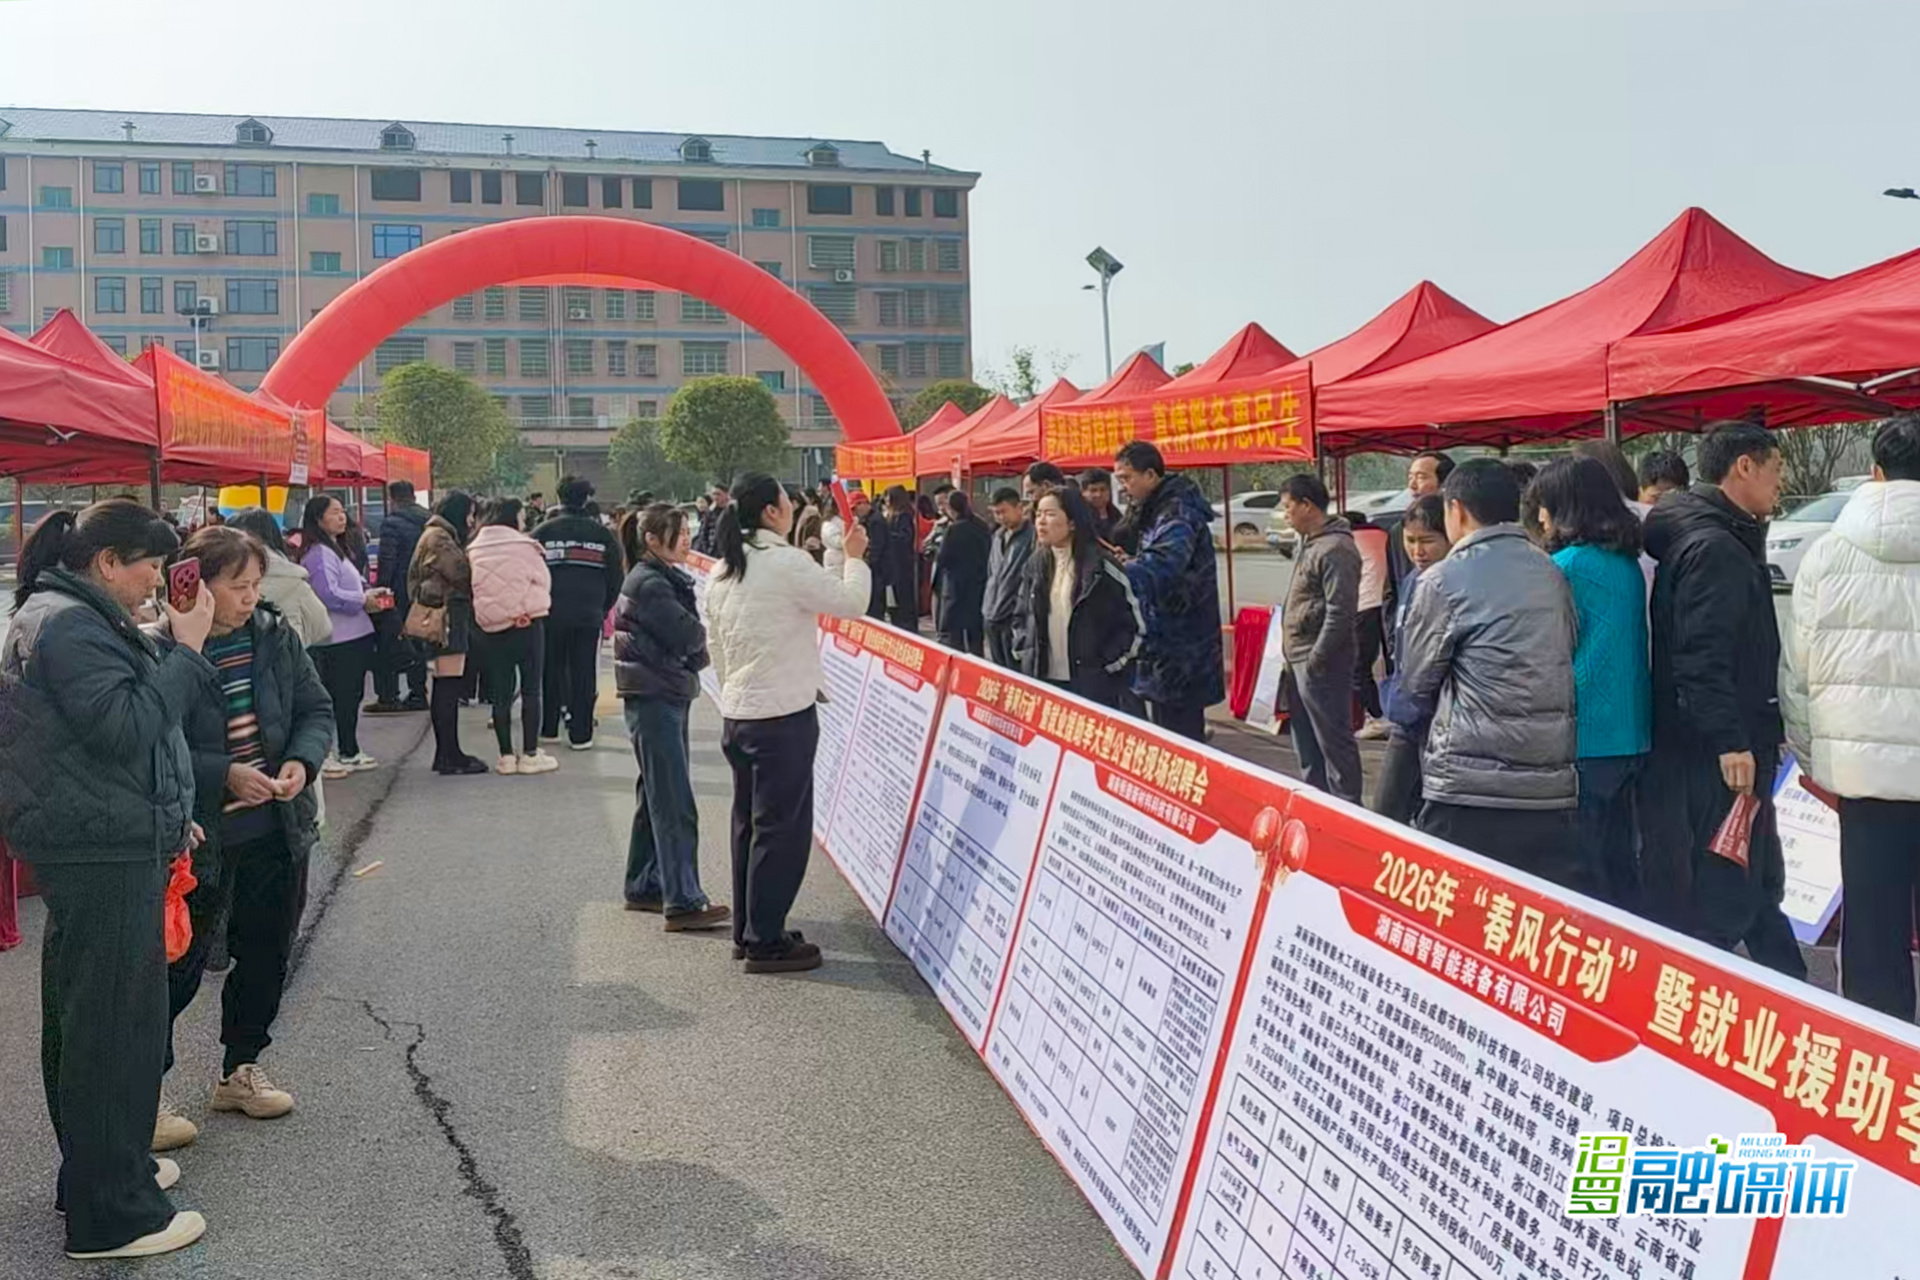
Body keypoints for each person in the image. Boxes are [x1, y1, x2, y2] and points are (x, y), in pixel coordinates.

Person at [0, 500, 211, 1259]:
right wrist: (187, 651)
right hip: (101, 847)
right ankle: (113, 1214)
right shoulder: (71, 625)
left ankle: (99, 1174)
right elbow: (126, 728)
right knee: (113, 1028)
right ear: (107, 562)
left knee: (87, 1020)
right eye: (150, 565)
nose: (158, 578)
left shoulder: (61, 615)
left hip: (95, 839)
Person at [159, 527, 332, 1153]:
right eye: (237, 586)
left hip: (277, 826)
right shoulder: (166, 650)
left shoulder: (274, 634)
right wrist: (223, 773)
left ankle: (241, 1067)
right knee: (177, 965)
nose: (249, 597)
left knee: (267, 951)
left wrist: (301, 763)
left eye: (255, 584)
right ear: (196, 586)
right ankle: (145, 1089)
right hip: (200, 836)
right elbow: (155, 740)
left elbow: (316, 710)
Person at [1642, 422, 1804, 976]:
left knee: (1753, 873)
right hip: (1724, 746)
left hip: (1727, 736)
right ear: (1744, 467)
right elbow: (1702, 654)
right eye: (1776, 468)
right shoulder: (1715, 548)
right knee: (1730, 876)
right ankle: (1703, 985)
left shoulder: (1717, 534)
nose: (1781, 482)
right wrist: (1730, 740)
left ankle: (1789, 985)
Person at [1784, 415, 1920, 1019]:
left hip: (1863, 778)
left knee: (1872, 925)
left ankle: (1883, 1051)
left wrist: (1817, 760)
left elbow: (1798, 673)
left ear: (1875, 472)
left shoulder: (1826, 555)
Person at [706, 474, 871, 973]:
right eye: (785, 500)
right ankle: (766, 940)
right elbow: (851, 603)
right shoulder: (783, 562)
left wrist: (736, 691)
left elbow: (715, 645)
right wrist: (855, 557)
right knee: (782, 830)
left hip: (740, 713)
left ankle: (751, 929)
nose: (791, 506)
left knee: (749, 826)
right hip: (781, 715)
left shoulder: (724, 568)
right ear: (772, 512)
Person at [1392, 460, 1581, 886]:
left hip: (1467, 786)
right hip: (1549, 784)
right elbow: (1568, 644)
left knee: (1460, 904)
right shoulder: (1550, 571)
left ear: (1456, 510)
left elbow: (1415, 683)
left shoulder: (1442, 579)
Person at [1530, 458, 1653, 908]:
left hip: (1583, 732)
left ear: (1565, 507)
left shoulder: (1564, 566)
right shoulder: (1625, 563)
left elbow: (1546, 648)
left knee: (1582, 867)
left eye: (1545, 505)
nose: (1540, 517)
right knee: (1620, 859)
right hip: (1630, 730)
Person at [614, 504, 730, 932]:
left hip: (659, 690)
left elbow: (691, 640)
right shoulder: (651, 583)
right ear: (651, 539)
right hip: (656, 693)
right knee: (673, 801)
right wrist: (698, 650)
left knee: (656, 794)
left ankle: (645, 884)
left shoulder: (656, 577)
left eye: (686, 530)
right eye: (678, 532)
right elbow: (690, 636)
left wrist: (696, 651)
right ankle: (683, 900)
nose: (686, 539)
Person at [1113, 441, 1224, 741]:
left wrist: (1116, 569)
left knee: (1180, 738)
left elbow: (1164, 565)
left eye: (1126, 478)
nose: (1123, 487)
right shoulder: (1160, 508)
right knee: (1169, 731)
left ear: (1150, 475)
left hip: (1182, 647)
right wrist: (1132, 561)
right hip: (1168, 643)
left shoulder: (1177, 512)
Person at [1278, 474, 1364, 802]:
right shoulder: (1310, 543)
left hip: (1321, 660)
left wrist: (1317, 658)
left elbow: (1341, 611)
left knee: (1333, 740)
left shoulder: (1336, 548)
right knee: (1307, 741)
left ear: (1307, 506)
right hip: (1299, 656)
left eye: (1288, 507)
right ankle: (1317, 802)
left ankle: (1348, 807)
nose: (1285, 514)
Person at [1019, 486, 1142, 708]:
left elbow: (1132, 625)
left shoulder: (1101, 567)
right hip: (1043, 681)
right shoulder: (1035, 565)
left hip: (1091, 687)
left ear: (1073, 522)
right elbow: (1021, 615)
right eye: (1038, 514)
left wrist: (1109, 666)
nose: (1041, 521)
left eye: (1050, 514)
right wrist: (1024, 651)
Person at [1373, 496, 1450, 824]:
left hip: (1439, 721)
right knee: (1385, 811)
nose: (1418, 551)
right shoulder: (1411, 580)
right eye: (1410, 541)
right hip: (1406, 713)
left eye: (1427, 541)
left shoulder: (1454, 583)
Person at [533, 476, 624, 751]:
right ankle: (581, 733)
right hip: (588, 613)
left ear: (558, 497)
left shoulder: (542, 532)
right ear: (586, 499)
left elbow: (530, 572)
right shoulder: (602, 535)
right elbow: (616, 577)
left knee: (550, 669)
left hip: (550, 612)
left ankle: (549, 728)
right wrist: (603, 606)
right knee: (584, 672)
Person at [469, 498, 558, 776]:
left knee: (501, 693)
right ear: (512, 518)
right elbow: (543, 582)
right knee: (531, 690)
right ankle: (530, 754)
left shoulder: (473, 548)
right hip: (526, 624)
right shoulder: (526, 547)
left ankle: (506, 756)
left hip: (490, 628)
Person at [297, 495, 381, 779]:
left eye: (342, 511)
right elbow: (327, 593)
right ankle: (336, 752)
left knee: (351, 696)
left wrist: (369, 592)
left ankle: (349, 749)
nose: (342, 517)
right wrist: (362, 600)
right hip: (338, 638)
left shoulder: (336, 549)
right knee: (341, 697)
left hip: (353, 634)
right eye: (334, 513)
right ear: (318, 519)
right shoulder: (319, 553)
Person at [409, 491, 488, 776]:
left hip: (444, 615)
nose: (471, 520)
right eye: (470, 514)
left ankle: (447, 753)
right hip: (447, 617)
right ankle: (449, 755)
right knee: (448, 686)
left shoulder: (434, 534)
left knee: (446, 684)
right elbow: (462, 573)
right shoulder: (440, 538)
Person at [227, 508, 331, 646]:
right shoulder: (293, 579)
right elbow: (322, 626)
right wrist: (298, 642)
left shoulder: (219, 577)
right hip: (286, 654)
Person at [370, 481, 430, 712]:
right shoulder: (429, 520)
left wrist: (381, 590)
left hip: (398, 591)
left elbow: (387, 560)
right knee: (417, 641)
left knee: (388, 640)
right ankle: (418, 692)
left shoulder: (392, 523)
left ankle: (388, 696)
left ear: (392, 499)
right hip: (423, 590)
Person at [1384, 450, 1457, 593]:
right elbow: (1392, 588)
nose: (1412, 485)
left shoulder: (1460, 525)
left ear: (1445, 483)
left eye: (1421, 477)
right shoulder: (1399, 530)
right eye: (1410, 477)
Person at [933, 489, 992, 656]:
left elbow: (942, 558)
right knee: (975, 634)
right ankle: (977, 661)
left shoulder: (954, 529)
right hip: (978, 583)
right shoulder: (981, 526)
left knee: (954, 634)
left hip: (956, 586)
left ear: (951, 508)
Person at [1349, 512, 1392, 740]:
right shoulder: (1384, 534)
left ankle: (1378, 718)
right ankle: (1393, 715)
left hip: (1364, 605)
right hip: (1390, 602)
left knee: (1358, 668)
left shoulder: (1348, 539)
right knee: (1392, 663)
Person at [984, 486, 1035, 669]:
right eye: (996, 513)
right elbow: (992, 574)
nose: (1000, 517)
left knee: (1015, 671)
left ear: (1019, 508)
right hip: (992, 612)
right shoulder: (998, 536)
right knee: (998, 671)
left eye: (1003, 511)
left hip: (1013, 617)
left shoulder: (1032, 537)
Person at [880, 485, 921, 630]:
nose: (886, 500)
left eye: (888, 497)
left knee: (903, 598)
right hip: (893, 564)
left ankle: (907, 627)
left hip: (901, 564)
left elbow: (905, 538)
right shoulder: (889, 515)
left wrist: (886, 535)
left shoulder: (904, 516)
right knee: (894, 600)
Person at [859, 489, 891, 619]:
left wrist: (866, 561)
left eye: (855, 508)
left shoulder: (875, 521)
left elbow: (877, 546)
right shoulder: (870, 519)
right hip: (875, 568)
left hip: (877, 569)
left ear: (864, 504)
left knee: (875, 605)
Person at [1078, 468, 1125, 546]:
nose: (1098, 495)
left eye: (1102, 490)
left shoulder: (1119, 516)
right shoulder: (1080, 518)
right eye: (1093, 490)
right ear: (1083, 492)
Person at [691, 485, 730, 556]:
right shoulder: (709, 514)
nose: (716, 497)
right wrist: (707, 550)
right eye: (714, 494)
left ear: (726, 495)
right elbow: (703, 533)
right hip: (710, 552)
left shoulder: (731, 512)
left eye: (718, 494)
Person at [791, 488, 825, 562]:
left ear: (795, 502)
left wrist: (807, 545)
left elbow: (815, 534)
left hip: (811, 555)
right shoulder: (793, 516)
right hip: (798, 555)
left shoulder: (811, 514)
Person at [821, 491, 848, 570]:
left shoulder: (842, 521)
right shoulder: (829, 524)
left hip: (844, 560)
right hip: (835, 562)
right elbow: (837, 542)